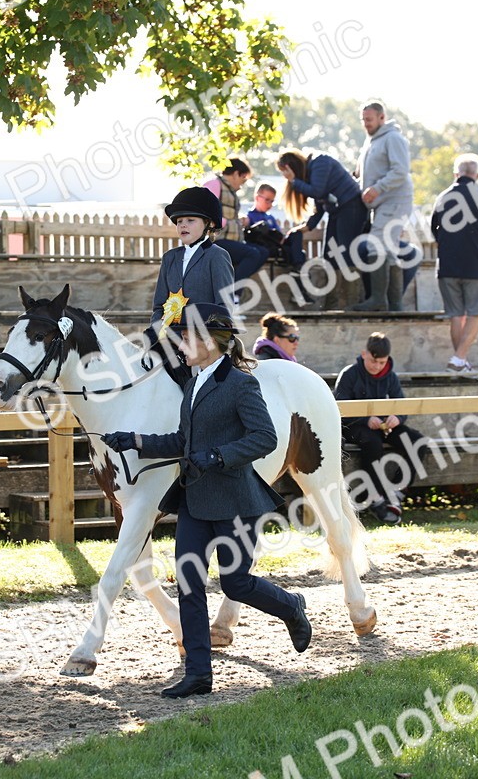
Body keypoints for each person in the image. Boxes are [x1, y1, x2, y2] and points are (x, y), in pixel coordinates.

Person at [101, 302, 312, 698]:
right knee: (189, 585)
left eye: (187, 337)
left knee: (236, 583)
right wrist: (135, 440)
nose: (180, 345)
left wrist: (218, 456)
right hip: (195, 500)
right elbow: (184, 442)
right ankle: (199, 674)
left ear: (211, 342)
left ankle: (290, 606)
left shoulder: (240, 383)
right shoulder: (194, 384)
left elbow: (264, 438)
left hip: (235, 500)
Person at [148, 187, 237, 386]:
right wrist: (159, 333)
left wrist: (193, 341)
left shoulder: (217, 256)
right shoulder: (170, 258)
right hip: (168, 339)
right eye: (179, 221)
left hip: (201, 343)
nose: (183, 226)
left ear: (209, 224)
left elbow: (224, 307)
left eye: (190, 220)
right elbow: (158, 307)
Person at [334, 333, 424, 524]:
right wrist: (366, 419)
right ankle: (375, 498)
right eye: (374, 361)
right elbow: (339, 408)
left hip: (383, 427)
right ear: (364, 354)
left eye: (382, 362)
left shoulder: (390, 376)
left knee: (417, 441)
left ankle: (398, 492)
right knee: (372, 443)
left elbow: (401, 405)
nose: (377, 366)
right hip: (353, 427)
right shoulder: (349, 374)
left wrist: (397, 418)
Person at [431, 153, 478, 375]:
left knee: (456, 315)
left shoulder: (442, 199)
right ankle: (459, 358)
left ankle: (459, 362)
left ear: (456, 174)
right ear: (477, 175)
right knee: (477, 313)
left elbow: (435, 230)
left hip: (447, 267)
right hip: (476, 266)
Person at [353, 101, 415, 312]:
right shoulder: (371, 142)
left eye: (369, 120)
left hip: (395, 200)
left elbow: (400, 171)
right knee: (387, 250)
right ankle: (395, 303)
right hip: (383, 203)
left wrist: (377, 188)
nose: (366, 124)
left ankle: (379, 299)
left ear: (382, 117)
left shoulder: (393, 138)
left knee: (376, 246)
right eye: (363, 120)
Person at [277, 148, 369, 281]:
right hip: (337, 211)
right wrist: (307, 227)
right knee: (329, 255)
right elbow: (320, 204)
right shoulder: (310, 173)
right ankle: (333, 299)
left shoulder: (320, 162)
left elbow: (317, 192)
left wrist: (294, 182)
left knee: (346, 253)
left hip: (351, 206)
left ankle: (350, 297)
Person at [202, 159, 270, 288]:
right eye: (243, 179)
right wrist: (226, 222)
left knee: (263, 252)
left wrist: (240, 220)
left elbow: (228, 212)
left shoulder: (231, 191)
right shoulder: (214, 184)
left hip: (232, 240)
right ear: (235, 174)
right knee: (252, 254)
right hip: (217, 240)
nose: (243, 184)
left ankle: (228, 290)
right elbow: (205, 212)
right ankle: (232, 294)